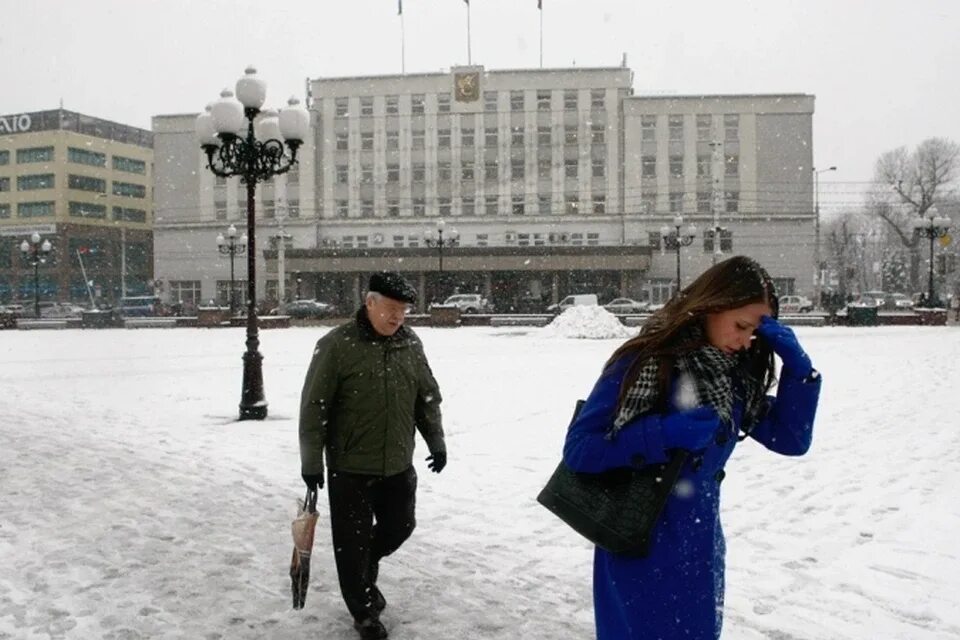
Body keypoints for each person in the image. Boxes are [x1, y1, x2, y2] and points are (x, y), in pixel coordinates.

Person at [562, 256, 821, 640]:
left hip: (699, 553)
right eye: (740, 326)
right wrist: (663, 434)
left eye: (755, 333)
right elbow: (580, 449)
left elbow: (792, 439)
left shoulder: (733, 382)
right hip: (638, 549)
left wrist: (799, 370)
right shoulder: (647, 361)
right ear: (711, 306)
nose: (745, 341)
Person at [299, 271, 447, 640]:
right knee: (351, 544)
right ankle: (364, 611)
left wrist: (436, 442)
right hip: (350, 466)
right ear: (370, 303)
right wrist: (311, 463)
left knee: (401, 526)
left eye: (404, 311)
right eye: (392, 308)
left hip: (398, 463)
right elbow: (314, 407)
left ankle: (366, 566)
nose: (398, 317)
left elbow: (427, 397)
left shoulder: (410, 343)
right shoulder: (336, 345)